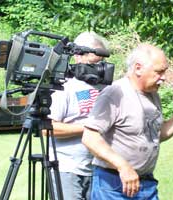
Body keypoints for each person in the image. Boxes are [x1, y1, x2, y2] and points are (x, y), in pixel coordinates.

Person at [82, 43, 173, 199]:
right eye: (158, 72)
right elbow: (90, 138)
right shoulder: (115, 93)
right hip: (114, 185)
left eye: (164, 72)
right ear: (138, 68)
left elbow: (156, 134)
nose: (163, 78)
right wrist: (123, 166)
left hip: (146, 183)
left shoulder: (152, 94)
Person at [48, 31, 108, 200]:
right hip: (68, 169)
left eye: (101, 63)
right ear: (78, 57)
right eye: (93, 63)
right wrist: (88, 128)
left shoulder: (105, 87)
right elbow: (48, 128)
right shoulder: (64, 88)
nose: (98, 68)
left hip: (99, 168)